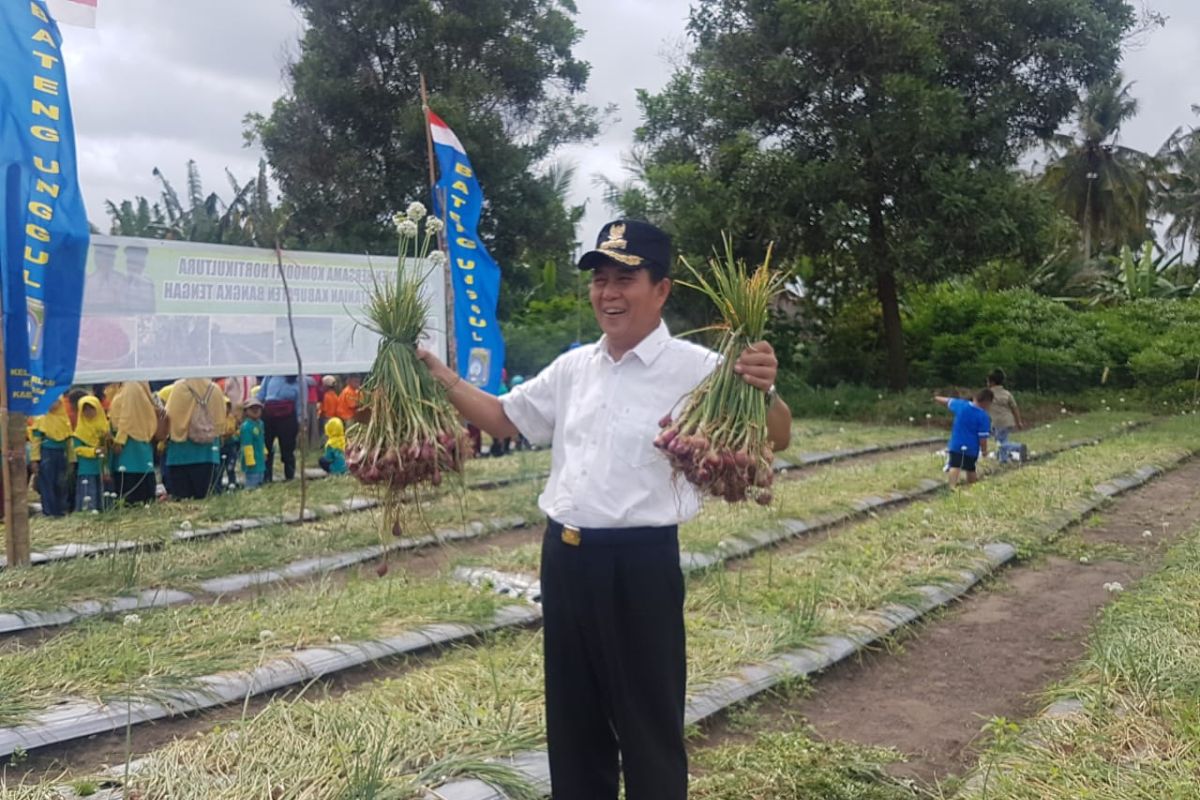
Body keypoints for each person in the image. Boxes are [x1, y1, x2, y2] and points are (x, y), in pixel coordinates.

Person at [416, 219, 792, 799]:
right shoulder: (574, 368)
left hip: (638, 566)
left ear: (662, 289)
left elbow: (778, 435)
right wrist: (441, 377)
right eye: (599, 280)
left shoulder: (699, 370)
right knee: (573, 720)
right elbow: (503, 417)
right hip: (564, 559)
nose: (608, 293)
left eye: (625, 278)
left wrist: (765, 390)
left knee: (647, 722)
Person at [163, 377, 227, 500]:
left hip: (180, 453)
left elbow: (169, 417)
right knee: (207, 499)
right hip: (208, 454)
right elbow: (221, 421)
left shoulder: (179, 388)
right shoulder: (215, 389)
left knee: (183, 502)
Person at [109, 381, 159, 505]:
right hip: (135, 440)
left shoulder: (131, 385)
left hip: (130, 441)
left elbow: (128, 415)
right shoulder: (130, 384)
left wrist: (120, 439)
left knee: (131, 488)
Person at [934, 389, 994, 488]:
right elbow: (982, 438)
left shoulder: (961, 405)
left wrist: (936, 398)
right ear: (987, 402)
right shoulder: (983, 416)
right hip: (972, 448)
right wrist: (984, 451)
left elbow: (948, 401)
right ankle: (972, 487)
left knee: (955, 465)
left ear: (975, 397)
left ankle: (951, 487)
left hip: (956, 444)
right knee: (970, 468)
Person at [259, 374, 311, 482]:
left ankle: (289, 477)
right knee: (265, 447)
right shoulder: (270, 375)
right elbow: (261, 396)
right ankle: (266, 477)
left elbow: (301, 403)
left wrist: (301, 421)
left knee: (287, 449)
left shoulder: (300, 379)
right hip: (268, 415)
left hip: (287, 418)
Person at [31, 397, 72, 517]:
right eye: (50, 401)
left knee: (61, 482)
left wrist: (72, 459)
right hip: (47, 453)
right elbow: (36, 441)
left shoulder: (64, 418)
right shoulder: (41, 418)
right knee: (47, 482)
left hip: (61, 453)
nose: (52, 404)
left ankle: (61, 510)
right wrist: (35, 459)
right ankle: (49, 511)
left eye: (55, 401)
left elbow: (69, 442)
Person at [986, 369, 1023, 463]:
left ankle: (1019, 447)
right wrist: (1019, 421)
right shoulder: (1007, 393)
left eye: (987, 381)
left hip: (998, 422)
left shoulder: (988, 394)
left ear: (992, 382)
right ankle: (1003, 459)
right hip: (1008, 421)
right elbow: (1015, 408)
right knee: (1002, 440)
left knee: (1001, 443)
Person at [240, 398, 267, 489]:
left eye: (258, 408)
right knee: (252, 484)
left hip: (260, 459)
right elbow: (247, 444)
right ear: (246, 411)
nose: (255, 410)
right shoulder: (246, 427)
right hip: (252, 461)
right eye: (252, 408)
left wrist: (265, 451)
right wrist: (250, 460)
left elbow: (262, 439)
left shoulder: (260, 424)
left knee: (260, 481)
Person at [217, 397, 240, 492]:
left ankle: (232, 483)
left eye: (227, 406)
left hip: (231, 444)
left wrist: (235, 434)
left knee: (231, 466)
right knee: (219, 468)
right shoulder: (216, 419)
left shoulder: (232, 418)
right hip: (220, 445)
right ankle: (218, 485)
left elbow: (236, 429)